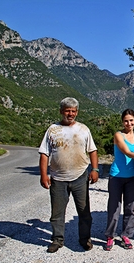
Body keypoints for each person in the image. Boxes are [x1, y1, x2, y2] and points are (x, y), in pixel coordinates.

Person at [38, 97, 99, 253]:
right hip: (58, 179)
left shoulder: (84, 129)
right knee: (57, 213)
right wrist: (43, 175)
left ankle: (85, 239)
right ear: (61, 111)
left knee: (84, 211)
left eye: (73, 111)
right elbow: (44, 154)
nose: (70, 114)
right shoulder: (52, 130)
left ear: (77, 112)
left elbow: (92, 150)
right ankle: (57, 240)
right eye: (67, 111)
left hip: (80, 176)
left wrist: (95, 169)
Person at [104, 109, 134, 251]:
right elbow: (126, 151)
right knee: (114, 207)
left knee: (130, 207)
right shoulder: (118, 135)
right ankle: (110, 235)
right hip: (117, 176)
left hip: (132, 177)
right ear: (122, 122)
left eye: (131, 120)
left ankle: (126, 235)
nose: (129, 123)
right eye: (126, 120)